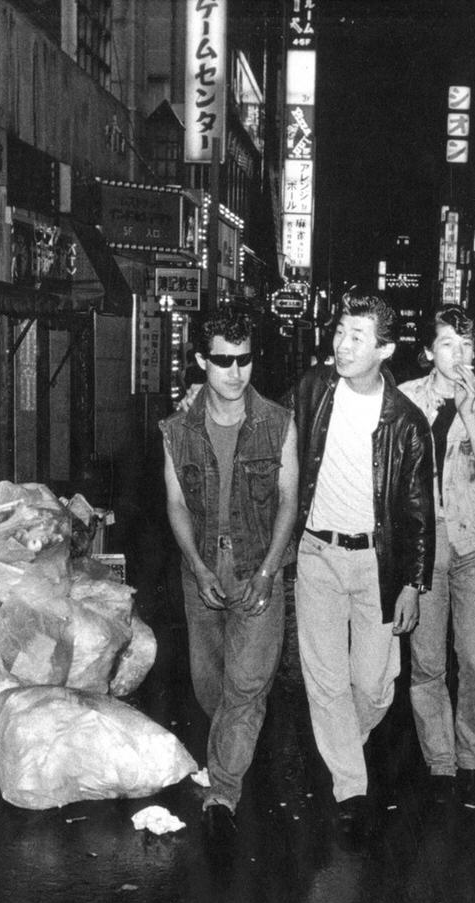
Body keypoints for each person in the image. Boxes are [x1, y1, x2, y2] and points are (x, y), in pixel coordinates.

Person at [289, 289, 434, 843]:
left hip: (378, 561)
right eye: (340, 332)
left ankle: (342, 740)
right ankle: (351, 785)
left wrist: (413, 583)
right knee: (325, 680)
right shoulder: (311, 391)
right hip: (317, 554)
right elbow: (267, 426)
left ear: (385, 349)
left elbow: (419, 509)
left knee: (373, 685)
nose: (342, 345)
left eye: (357, 337)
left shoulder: (406, 421)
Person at [160, 310, 299, 848]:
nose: (235, 373)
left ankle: (223, 792)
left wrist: (269, 569)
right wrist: (195, 567)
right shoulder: (177, 430)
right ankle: (234, 747)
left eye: (243, 360)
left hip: (257, 568)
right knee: (210, 685)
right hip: (203, 569)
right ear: (202, 362)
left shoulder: (278, 423)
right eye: (222, 361)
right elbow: (174, 503)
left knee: (246, 687)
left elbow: (289, 501)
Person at [398, 306, 475, 808]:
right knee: (426, 661)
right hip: (423, 541)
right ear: (428, 351)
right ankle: (439, 758)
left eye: (465, 345)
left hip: (474, 541)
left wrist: (467, 411)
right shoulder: (402, 400)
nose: (458, 355)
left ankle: (474, 755)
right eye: (446, 344)